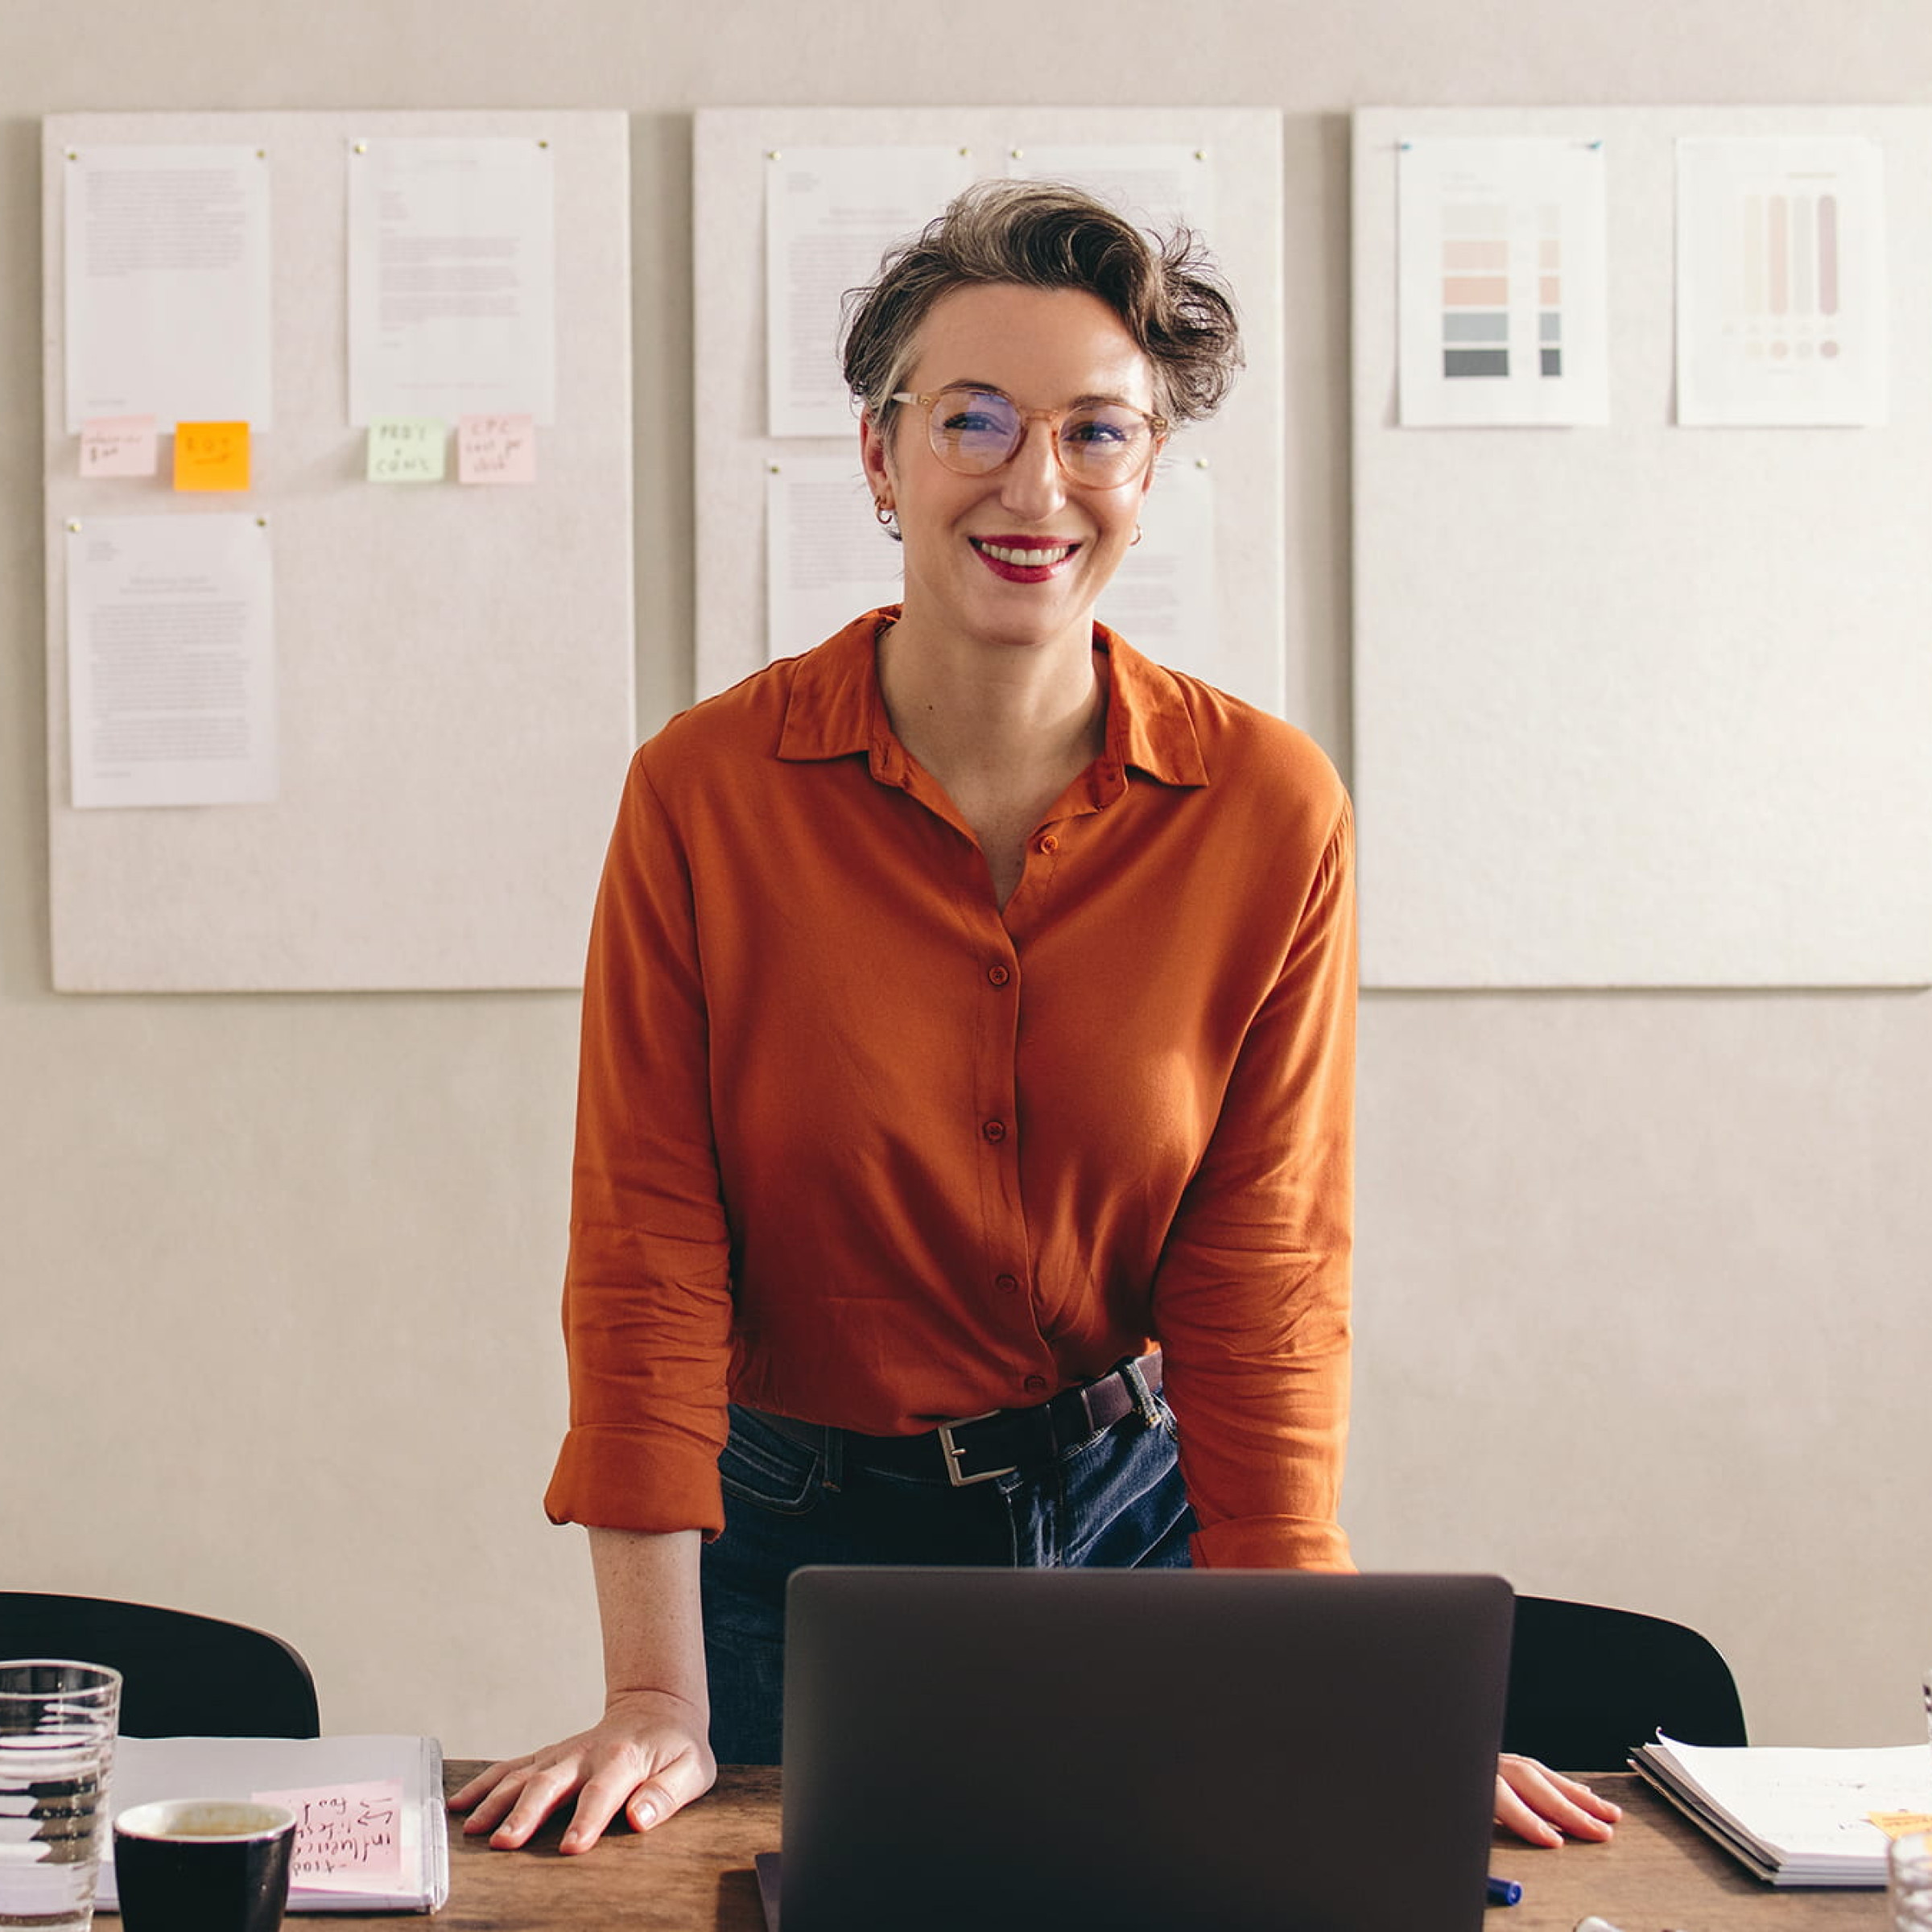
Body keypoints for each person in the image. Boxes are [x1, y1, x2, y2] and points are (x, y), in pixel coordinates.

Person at [451, 179, 1620, 1856]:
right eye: (974, 422)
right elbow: (647, 1246)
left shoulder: (1267, 808)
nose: (1035, 484)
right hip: (795, 1547)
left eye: (1097, 431)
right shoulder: (706, 795)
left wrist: (1329, 1683)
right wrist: (654, 1690)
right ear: (879, 457)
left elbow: (1263, 1271)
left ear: (1147, 471)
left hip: (1134, 1522)